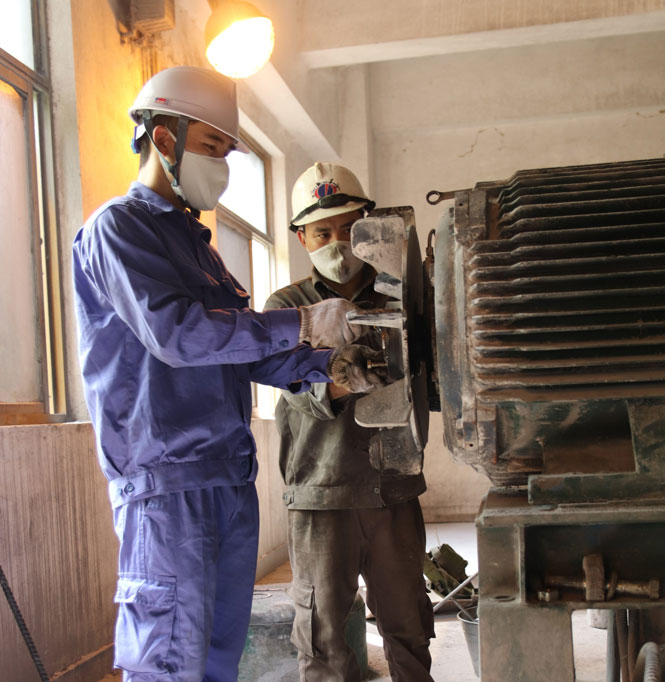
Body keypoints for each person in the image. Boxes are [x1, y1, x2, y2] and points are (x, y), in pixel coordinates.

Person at [72, 67, 386, 682]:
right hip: (166, 484)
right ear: (165, 139)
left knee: (219, 661)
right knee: (169, 664)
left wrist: (329, 367)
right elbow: (180, 335)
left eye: (226, 151)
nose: (221, 165)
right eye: (211, 147)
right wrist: (303, 322)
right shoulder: (118, 230)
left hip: (229, 478)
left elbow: (240, 350)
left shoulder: (201, 248)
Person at [264, 162, 435, 682]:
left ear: (369, 225)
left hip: (392, 488)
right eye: (322, 232)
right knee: (324, 639)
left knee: (408, 626)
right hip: (321, 494)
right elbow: (295, 387)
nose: (337, 242)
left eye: (347, 228)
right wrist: (344, 378)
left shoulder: (403, 296)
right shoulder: (288, 308)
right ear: (302, 238)